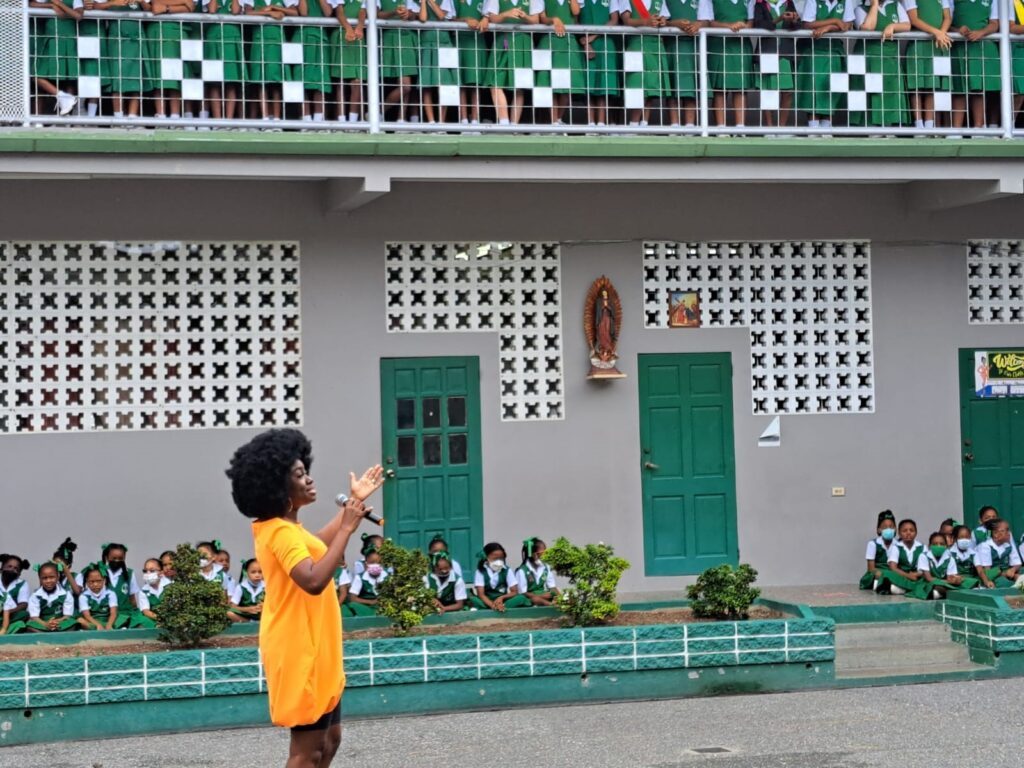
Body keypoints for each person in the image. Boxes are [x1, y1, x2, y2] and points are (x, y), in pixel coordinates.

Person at [226, 428, 383, 767]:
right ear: (278, 488)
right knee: (307, 752)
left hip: (318, 643)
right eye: (299, 475)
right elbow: (312, 579)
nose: (309, 480)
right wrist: (347, 528)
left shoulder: (289, 529)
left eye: (306, 470)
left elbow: (320, 547)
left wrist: (352, 506)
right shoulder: (279, 532)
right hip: (299, 647)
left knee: (329, 741)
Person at [850, 0, 909, 128]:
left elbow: (907, 25)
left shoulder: (895, 5)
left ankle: (888, 127)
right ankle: (870, 127)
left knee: (890, 92)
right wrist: (874, 5)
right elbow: (867, 28)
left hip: (889, 57)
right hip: (868, 59)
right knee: (870, 92)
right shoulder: (860, 9)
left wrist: (892, 27)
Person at [797, 0, 854, 132]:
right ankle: (813, 127)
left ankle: (826, 127)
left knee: (830, 88)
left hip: (833, 51)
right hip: (814, 50)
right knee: (812, 89)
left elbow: (846, 25)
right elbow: (807, 24)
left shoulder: (846, 2)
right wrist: (834, 20)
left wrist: (827, 28)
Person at [485, 0, 544, 125]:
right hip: (503, 39)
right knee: (494, 81)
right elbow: (493, 18)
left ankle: (514, 124)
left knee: (520, 85)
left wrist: (524, 16)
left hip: (523, 41)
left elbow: (536, 21)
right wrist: (506, 14)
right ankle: (504, 122)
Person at [699, 0, 753, 129]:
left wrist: (742, 26)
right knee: (719, 89)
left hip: (740, 45)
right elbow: (708, 22)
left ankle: (740, 128)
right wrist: (729, 26)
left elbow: (750, 22)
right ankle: (720, 128)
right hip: (718, 45)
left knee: (741, 88)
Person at [243, 0, 299, 121]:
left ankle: (277, 118)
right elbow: (247, 13)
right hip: (259, 42)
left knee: (276, 82)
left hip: (277, 43)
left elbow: (295, 12)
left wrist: (274, 7)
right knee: (261, 81)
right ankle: (265, 117)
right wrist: (268, 13)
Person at [902, 0, 952, 132]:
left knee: (932, 84)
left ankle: (929, 124)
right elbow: (914, 19)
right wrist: (936, 32)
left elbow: (947, 17)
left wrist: (942, 32)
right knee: (916, 86)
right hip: (918, 45)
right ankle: (918, 124)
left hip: (936, 44)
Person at [950, 0, 999, 131]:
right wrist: (957, 30)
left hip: (980, 47)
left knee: (979, 89)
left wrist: (981, 32)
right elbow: (945, 21)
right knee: (959, 89)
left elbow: (994, 24)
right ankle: (956, 130)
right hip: (959, 47)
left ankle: (978, 128)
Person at [748, 0, 798, 129]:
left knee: (787, 92)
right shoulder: (760, 4)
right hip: (767, 52)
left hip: (785, 53)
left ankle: (781, 128)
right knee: (768, 91)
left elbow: (798, 26)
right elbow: (758, 25)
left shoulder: (789, 3)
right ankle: (769, 128)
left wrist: (794, 20)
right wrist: (778, 19)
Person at [621, 0, 669, 129]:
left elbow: (664, 17)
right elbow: (626, 20)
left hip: (654, 44)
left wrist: (662, 21)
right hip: (636, 44)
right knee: (636, 84)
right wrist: (646, 22)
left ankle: (645, 123)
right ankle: (633, 123)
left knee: (651, 85)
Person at [537, 0, 586, 127]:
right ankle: (553, 121)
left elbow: (576, 11)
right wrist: (554, 19)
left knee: (567, 83)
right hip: (550, 40)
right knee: (551, 84)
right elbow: (542, 18)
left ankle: (558, 118)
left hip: (568, 40)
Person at [29, 0, 82, 117]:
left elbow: (78, 15)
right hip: (51, 41)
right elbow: (31, 4)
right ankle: (62, 97)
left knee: (69, 79)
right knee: (38, 75)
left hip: (69, 40)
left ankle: (67, 118)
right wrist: (51, 5)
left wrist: (60, 5)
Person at [578, 0, 621, 128]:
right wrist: (586, 41)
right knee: (588, 84)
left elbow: (614, 20)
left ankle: (601, 122)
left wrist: (593, 36)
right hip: (585, 44)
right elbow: (575, 19)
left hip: (605, 43)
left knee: (604, 84)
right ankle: (591, 123)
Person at [379, 0, 420, 122]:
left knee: (406, 85)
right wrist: (393, 12)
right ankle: (378, 112)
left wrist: (409, 14)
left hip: (406, 39)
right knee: (404, 85)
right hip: (388, 39)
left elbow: (416, 14)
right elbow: (375, 14)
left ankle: (400, 118)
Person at [293, 0, 334, 124]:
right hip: (302, 36)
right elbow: (304, 12)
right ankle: (305, 119)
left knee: (320, 80)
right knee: (301, 79)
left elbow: (328, 12)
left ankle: (318, 119)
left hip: (320, 37)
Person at [203, 0, 245, 121]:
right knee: (214, 82)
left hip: (232, 37)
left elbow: (236, 11)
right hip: (214, 37)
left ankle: (229, 120)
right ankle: (217, 120)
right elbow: (212, 9)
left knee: (231, 82)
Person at [419, 0, 458, 124]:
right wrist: (424, 2)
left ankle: (441, 121)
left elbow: (441, 15)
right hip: (427, 44)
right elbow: (423, 18)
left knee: (445, 83)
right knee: (427, 84)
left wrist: (431, 1)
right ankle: (431, 121)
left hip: (444, 43)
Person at [331, 0, 367, 124]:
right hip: (342, 36)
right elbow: (339, 12)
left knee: (357, 81)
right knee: (341, 81)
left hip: (357, 37)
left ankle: (352, 121)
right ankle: (341, 120)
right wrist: (348, 28)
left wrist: (359, 27)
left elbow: (363, 11)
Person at [455, 0, 489, 127]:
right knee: (461, 82)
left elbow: (491, 14)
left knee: (476, 82)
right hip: (460, 41)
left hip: (477, 42)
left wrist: (486, 19)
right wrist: (465, 20)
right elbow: (447, 19)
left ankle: (475, 119)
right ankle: (463, 119)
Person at [470, 542, 530, 610]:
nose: (498, 561)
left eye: (501, 559)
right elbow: (481, 595)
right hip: (486, 602)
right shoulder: (480, 571)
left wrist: (502, 598)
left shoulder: (507, 570)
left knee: (520, 598)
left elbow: (514, 591)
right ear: (486, 558)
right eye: (495, 559)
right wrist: (493, 605)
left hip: (503, 601)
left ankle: (499, 608)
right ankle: (498, 609)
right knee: (473, 600)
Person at [878, 518, 929, 598]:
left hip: (918, 577)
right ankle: (910, 589)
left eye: (911, 530)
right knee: (886, 573)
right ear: (899, 533)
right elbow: (893, 567)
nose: (908, 533)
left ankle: (900, 589)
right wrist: (909, 576)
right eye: (904, 531)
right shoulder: (896, 547)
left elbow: (926, 568)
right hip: (902, 576)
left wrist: (916, 574)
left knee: (928, 579)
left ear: (916, 532)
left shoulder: (922, 547)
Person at [23, 563, 76, 633]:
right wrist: (46, 624)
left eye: (52, 577)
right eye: (44, 578)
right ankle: (51, 634)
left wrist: (55, 622)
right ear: (40, 579)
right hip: (42, 623)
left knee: (73, 623)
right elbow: (34, 617)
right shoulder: (35, 596)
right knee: (30, 625)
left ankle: (49, 634)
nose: (48, 581)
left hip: (60, 622)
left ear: (58, 577)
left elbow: (67, 616)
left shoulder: (66, 594)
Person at [974, 518, 1021, 587]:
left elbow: (1017, 563)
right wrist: (1008, 575)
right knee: (1005, 583)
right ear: (995, 534)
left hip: (1007, 574)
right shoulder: (985, 546)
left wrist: (1013, 570)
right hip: (993, 576)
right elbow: (988, 571)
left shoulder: (1008, 545)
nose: (1009, 533)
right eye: (1006, 530)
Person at [346, 545, 387, 615]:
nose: (376, 565)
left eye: (378, 563)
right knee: (352, 605)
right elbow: (352, 598)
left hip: (385, 608)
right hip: (367, 608)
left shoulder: (387, 576)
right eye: (372, 563)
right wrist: (371, 602)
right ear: (366, 564)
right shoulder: (360, 578)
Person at [517, 537, 559, 605]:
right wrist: (541, 596)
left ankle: (556, 604)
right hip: (531, 598)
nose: (545, 556)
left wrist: (560, 597)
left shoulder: (546, 568)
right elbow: (523, 592)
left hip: (545, 595)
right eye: (542, 553)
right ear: (533, 554)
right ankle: (551, 605)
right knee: (535, 599)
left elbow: (552, 587)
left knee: (567, 597)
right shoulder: (522, 571)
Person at [861, 510, 896, 590]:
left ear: (895, 529)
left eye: (891, 527)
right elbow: (871, 569)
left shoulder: (898, 545)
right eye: (885, 527)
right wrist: (884, 574)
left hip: (893, 573)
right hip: (877, 573)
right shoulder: (873, 544)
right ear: (879, 529)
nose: (889, 529)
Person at [920, 531, 962, 599]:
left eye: (942, 544)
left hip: (944, 583)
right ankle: (941, 593)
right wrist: (946, 581)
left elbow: (951, 578)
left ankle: (939, 593)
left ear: (946, 546)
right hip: (929, 583)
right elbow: (929, 578)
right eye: (935, 544)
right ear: (929, 546)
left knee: (966, 581)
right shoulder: (924, 556)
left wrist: (956, 579)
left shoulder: (950, 559)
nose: (938, 546)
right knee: (931, 585)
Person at [77, 565, 119, 630]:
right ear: (87, 582)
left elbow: (113, 613)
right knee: (80, 620)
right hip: (93, 622)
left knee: (122, 618)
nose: (95, 584)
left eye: (99, 581)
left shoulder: (110, 593)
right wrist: (98, 625)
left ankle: (110, 627)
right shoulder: (83, 596)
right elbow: (87, 615)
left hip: (108, 620)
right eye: (92, 581)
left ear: (104, 580)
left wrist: (109, 624)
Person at [134, 558, 170, 627]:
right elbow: (146, 611)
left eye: (152, 570)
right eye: (145, 571)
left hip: (170, 617)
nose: (148, 573)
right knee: (140, 619)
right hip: (154, 618)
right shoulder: (143, 591)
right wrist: (160, 619)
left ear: (161, 572)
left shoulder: (170, 586)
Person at [1, 555, 32, 627]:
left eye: (16, 568)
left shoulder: (22, 584)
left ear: (19, 573)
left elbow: (23, 605)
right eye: (9, 566)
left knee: (25, 614)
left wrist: (7, 612)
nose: (12, 569)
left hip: (11, 615)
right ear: (2, 568)